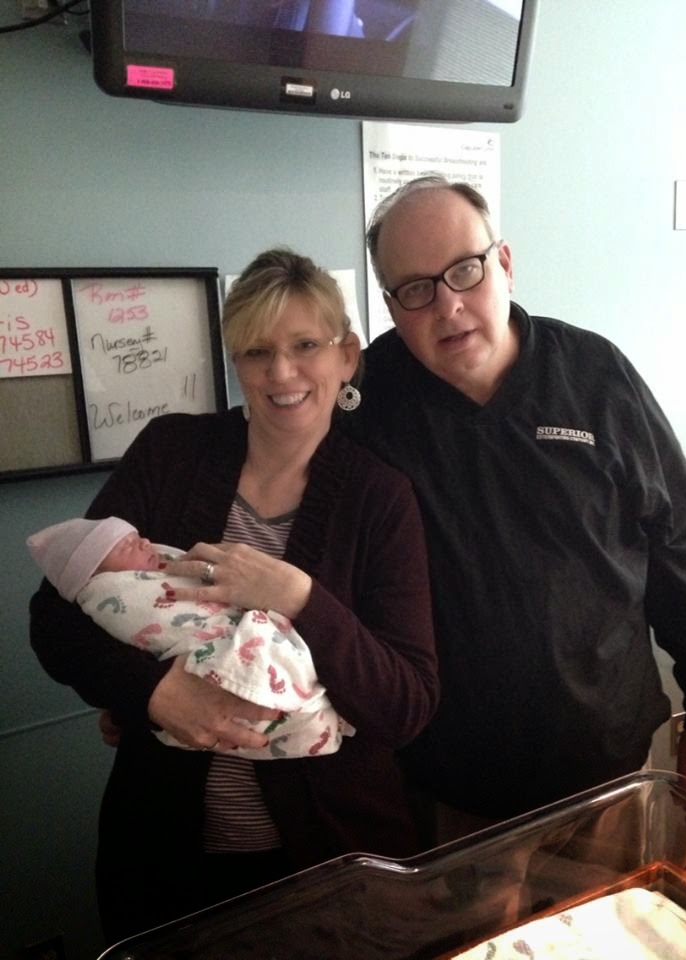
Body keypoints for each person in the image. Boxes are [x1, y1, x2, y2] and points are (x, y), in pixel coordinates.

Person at [29, 248, 438, 944]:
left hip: (327, 861)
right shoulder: (171, 453)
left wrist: (302, 598)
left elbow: (408, 703)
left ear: (346, 356)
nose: (281, 373)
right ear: (236, 362)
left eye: (305, 346)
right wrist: (154, 693)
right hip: (166, 856)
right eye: (257, 351)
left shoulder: (380, 498)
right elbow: (54, 621)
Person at [344, 174, 686, 842]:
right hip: (447, 787)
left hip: (606, 774)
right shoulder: (367, 405)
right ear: (392, 305)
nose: (449, 305)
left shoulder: (596, 374)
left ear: (505, 263)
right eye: (417, 289)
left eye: (465, 270)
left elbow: (685, 542)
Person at [26, 515, 354, 760]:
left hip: (327, 811)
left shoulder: (373, 486)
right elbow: (53, 619)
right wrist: (147, 689)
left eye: (138, 537)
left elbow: (385, 689)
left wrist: (299, 596)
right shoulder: (159, 458)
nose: (145, 542)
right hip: (167, 796)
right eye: (127, 544)